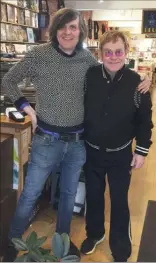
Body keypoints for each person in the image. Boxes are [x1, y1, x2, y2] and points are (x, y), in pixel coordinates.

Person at [2, 8, 151, 262]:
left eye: (73, 27)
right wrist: (27, 109)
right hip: (46, 140)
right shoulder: (39, 55)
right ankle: (12, 241)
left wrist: (143, 79)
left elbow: (113, 72)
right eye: (63, 26)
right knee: (30, 194)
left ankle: (62, 239)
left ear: (80, 31)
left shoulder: (87, 61)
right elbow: (7, 80)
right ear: (54, 30)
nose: (68, 32)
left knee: (68, 196)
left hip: (77, 143)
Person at [80, 31, 153, 262]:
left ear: (126, 52)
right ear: (100, 53)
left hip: (121, 154)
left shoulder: (137, 83)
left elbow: (144, 120)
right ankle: (95, 233)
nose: (113, 57)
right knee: (93, 195)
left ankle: (121, 243)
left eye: (118, 52)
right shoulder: (89, 76)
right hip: (91, 150)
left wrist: (142, 150)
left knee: (119, 199)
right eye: (108, 52)